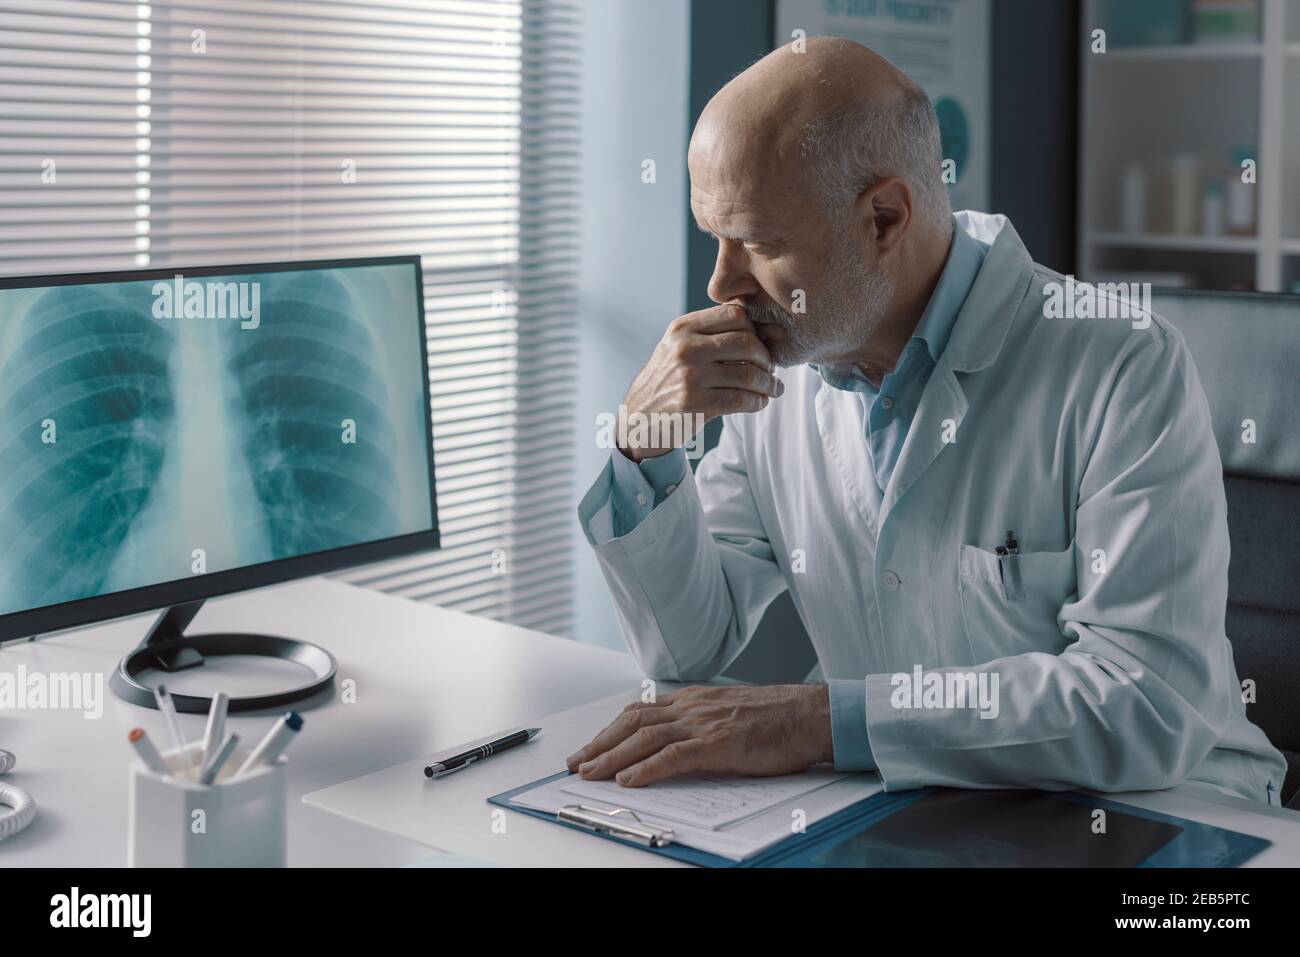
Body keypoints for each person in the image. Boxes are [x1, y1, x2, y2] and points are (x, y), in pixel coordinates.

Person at [568, 37, 1286, 804]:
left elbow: (1143, 704)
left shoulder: (1124, 366)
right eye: (715, 236)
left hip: (1165, 808)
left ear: (883, 218)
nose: (720, 281)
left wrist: (820, 720)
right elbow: (689, 646)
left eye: (758, 243)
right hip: (920, 807)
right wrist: (644, 450)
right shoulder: (783, 371)